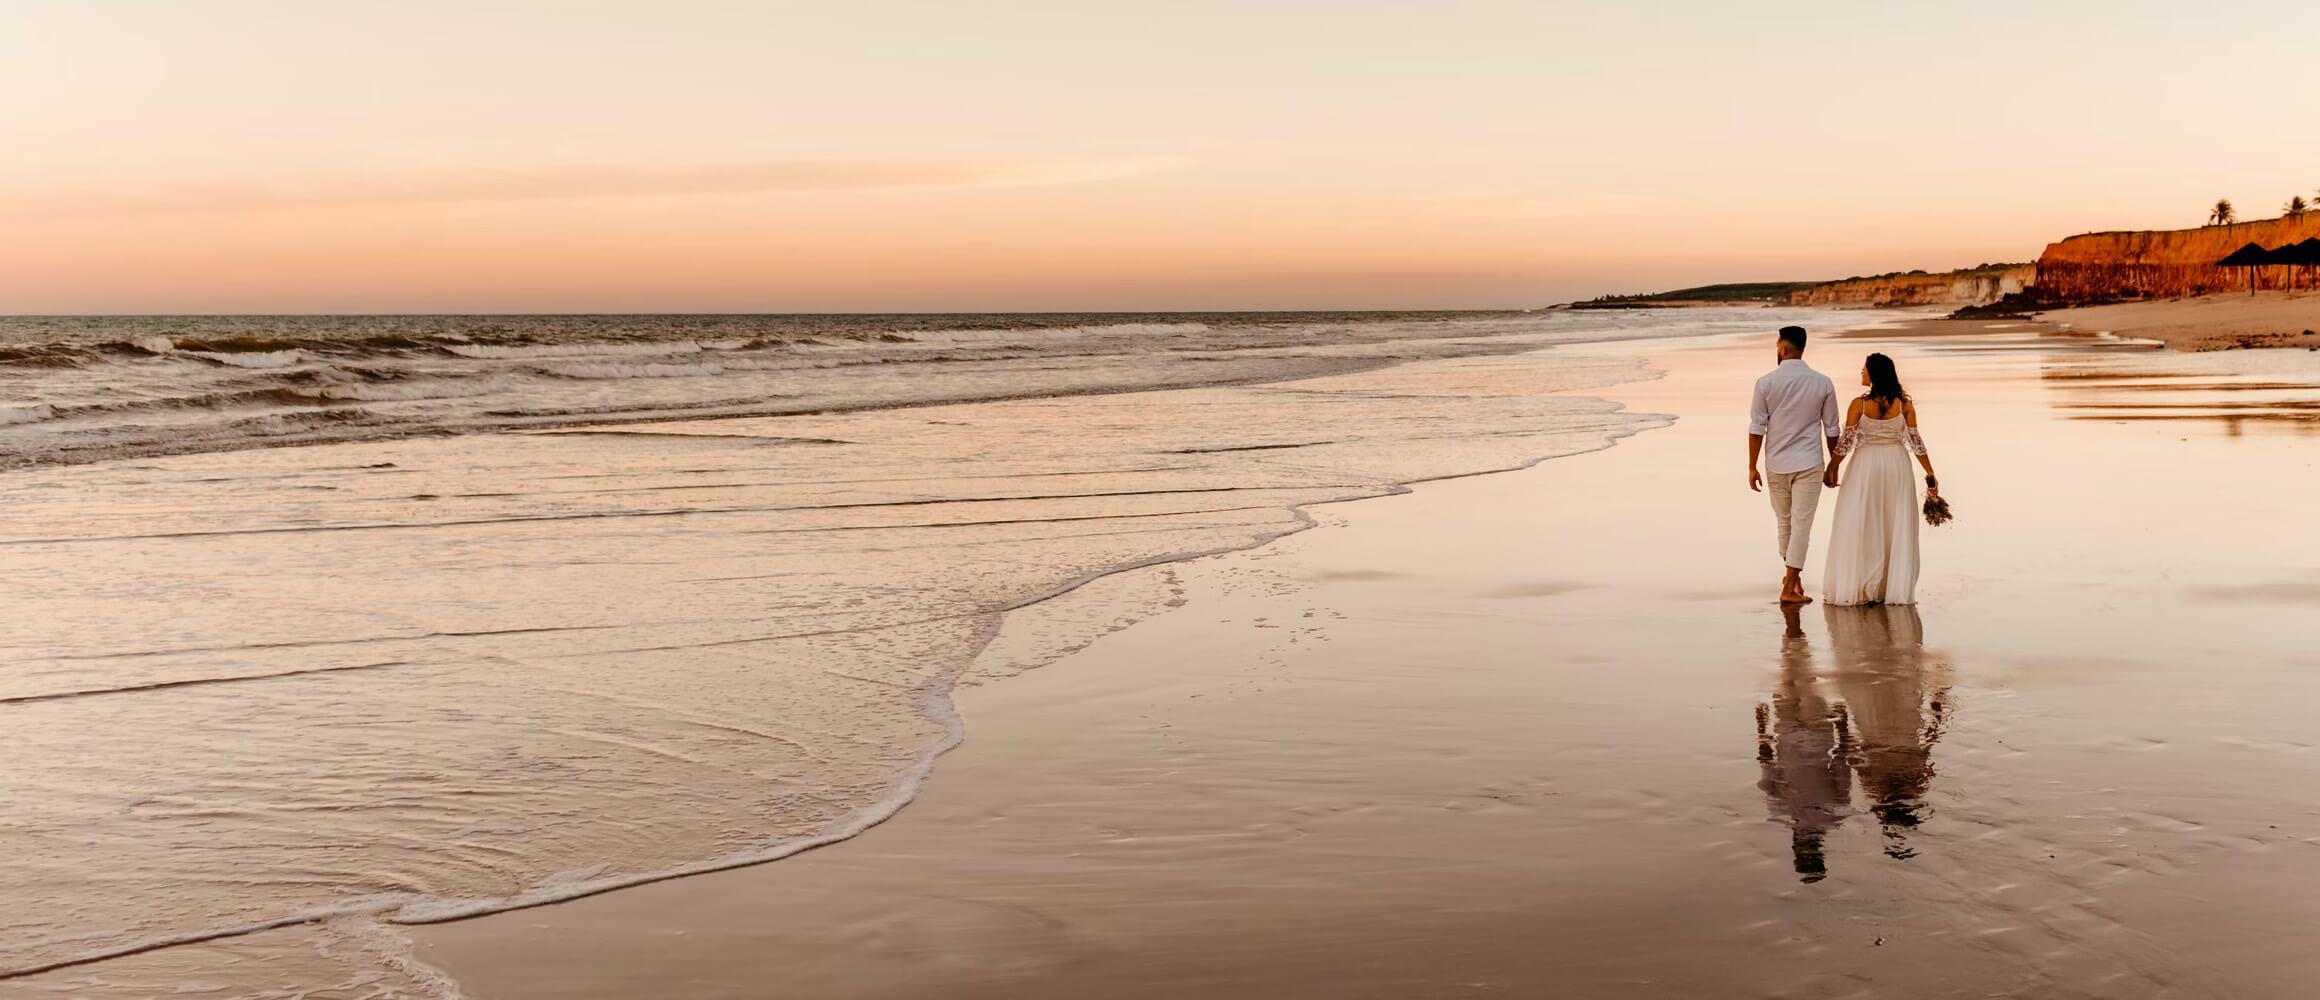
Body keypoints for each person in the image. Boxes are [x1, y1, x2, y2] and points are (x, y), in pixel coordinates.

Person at [1821, 352, 1938, 605]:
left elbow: (1846, 442)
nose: (1861, 372)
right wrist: (1930, 474)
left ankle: (1863, 584)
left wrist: (1832, 467)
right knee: (1892, 521)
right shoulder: (1904, 405)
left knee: (1863, 520)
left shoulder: (1859, 404)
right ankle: (1889, 587)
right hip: (1897, 466)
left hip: (1865, 466)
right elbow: (1916, 442)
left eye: (1864, 369)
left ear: (1874, 374)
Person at [1747, 326, 1841, 604]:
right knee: (1801, 525)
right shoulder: (1823, 382)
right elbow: (1832, 429)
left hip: (1776, 462)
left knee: (1785, 522)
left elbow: (1756, 428)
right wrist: (1833, 465)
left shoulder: (1765, 383)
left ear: (1783, 348)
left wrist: (1752, 466)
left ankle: (1790, 582)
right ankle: (1792, 583)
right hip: (1810, 461)